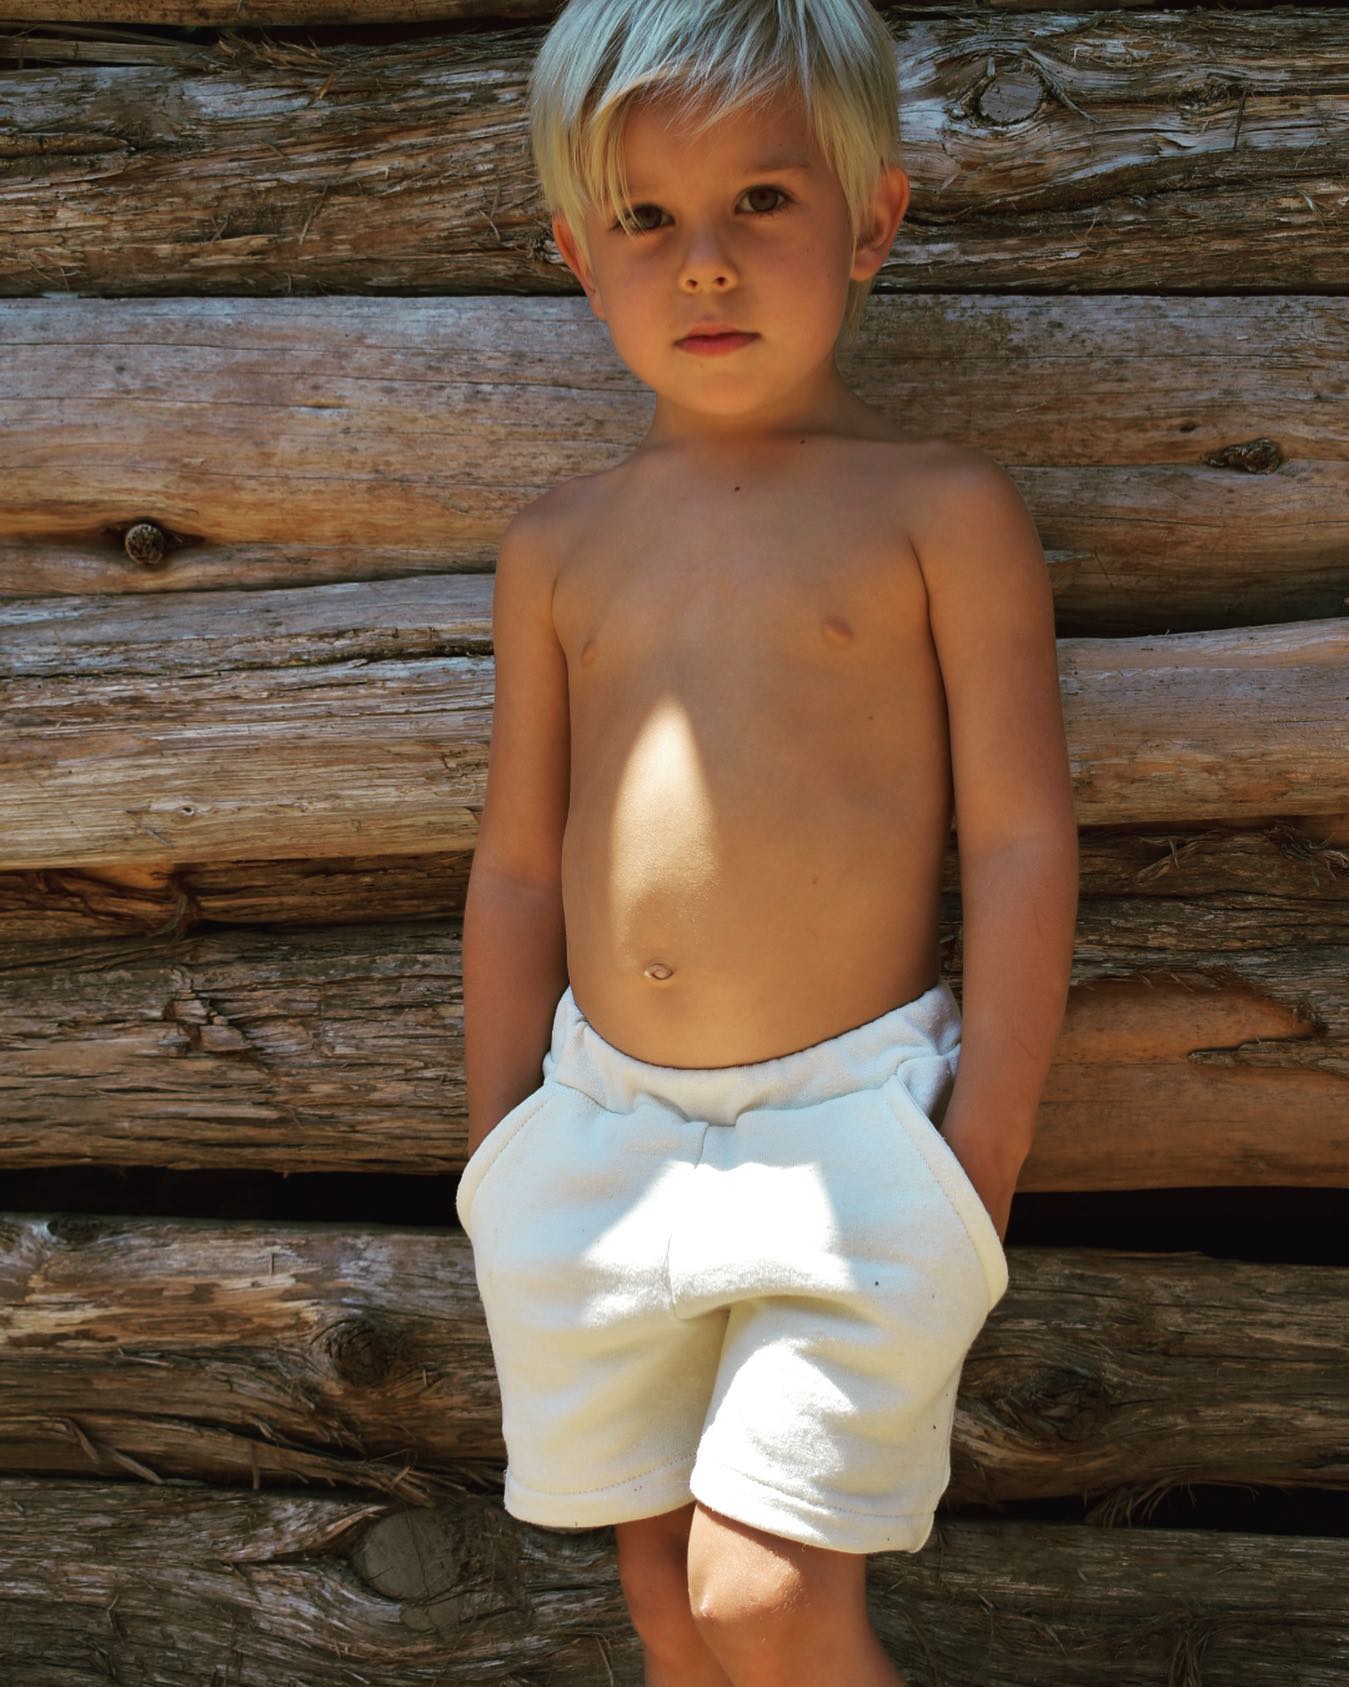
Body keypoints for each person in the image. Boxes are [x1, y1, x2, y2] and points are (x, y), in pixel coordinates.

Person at [457, 1, 1079, 1681]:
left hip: (854, 1138)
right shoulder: (559, 544)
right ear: (580, 255)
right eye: (648, 218)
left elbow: (1019, 840)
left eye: (763, 203)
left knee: (763, 1598)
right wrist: (501, 1146)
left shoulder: (936, 510)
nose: (705, 264)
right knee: (667, 1609)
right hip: (592, 1139)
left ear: (872, 219)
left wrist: (984, 1149)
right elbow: (519, 865)